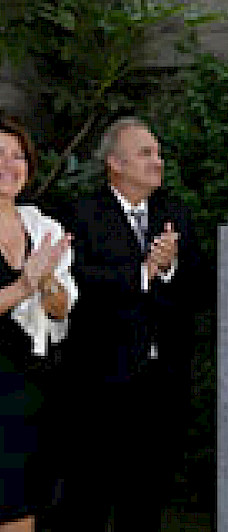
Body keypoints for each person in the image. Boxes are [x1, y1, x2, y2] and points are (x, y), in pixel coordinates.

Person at [54, 117, 195, 531]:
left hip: (161, 387)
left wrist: (168, 270)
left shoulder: (175, 213)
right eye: (145, 153)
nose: (158, 161)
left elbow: (199, 285)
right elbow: (78, 282)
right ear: (115, 163)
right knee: (87, 502)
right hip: (98, 386)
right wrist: (145, 271)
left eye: (158, 152)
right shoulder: (79, 215)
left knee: (146, 502)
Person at [0, 115, 77, 531]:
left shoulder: (43, 227)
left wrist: (47, 284)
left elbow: (61, 310)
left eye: (17, 156)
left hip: (30, 392)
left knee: (24, 511)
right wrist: (22, 286)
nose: (9, 165)